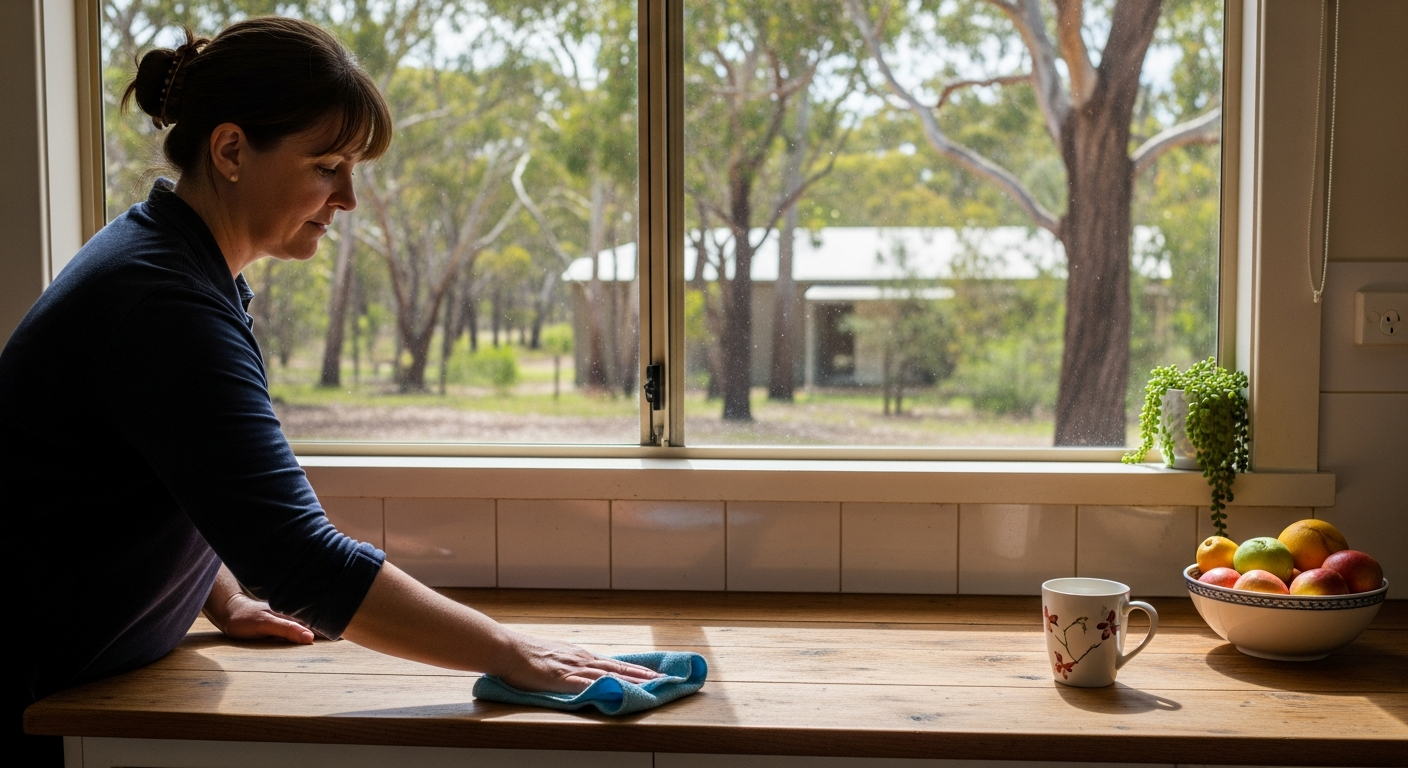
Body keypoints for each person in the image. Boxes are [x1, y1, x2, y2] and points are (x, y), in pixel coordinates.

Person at [2, 17, 659, 766]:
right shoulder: (162, 302)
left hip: (85, 684)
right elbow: (302, 563)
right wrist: (514, 653)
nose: (347, 197)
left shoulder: (173, 267)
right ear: (230, 150)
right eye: (326, 166)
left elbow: (174, 471)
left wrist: (220, 594)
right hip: (35, 703)